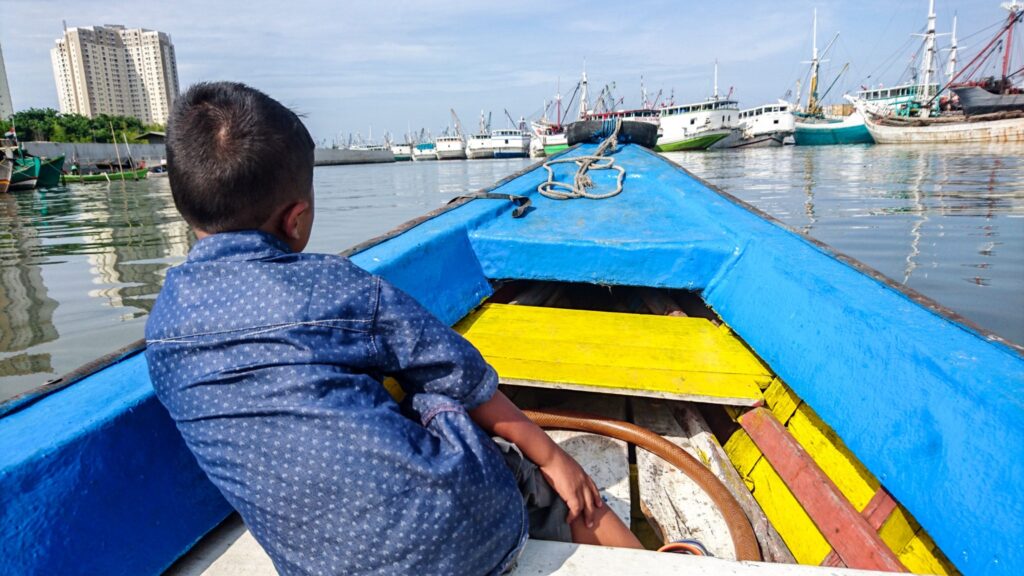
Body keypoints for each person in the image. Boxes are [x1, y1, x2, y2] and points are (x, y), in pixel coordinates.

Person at [145, 82, 641, 576]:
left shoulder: (162, 330)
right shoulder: (329, 284)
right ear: (295, 219)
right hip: (469, 545)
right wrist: (555, 458)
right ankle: (635, 555)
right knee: (435, 403)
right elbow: (459, 373)